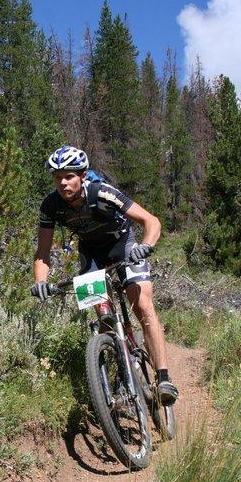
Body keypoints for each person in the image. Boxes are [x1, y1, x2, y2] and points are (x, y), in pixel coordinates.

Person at [31, 145, 178, 405]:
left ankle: (163, 378)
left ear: (83, 175)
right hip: (91, 255)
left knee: (143, 306)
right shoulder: (50, 205)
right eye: (57, 178)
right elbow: (43, 253)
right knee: (105, 319)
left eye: (69, 176)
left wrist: (146, 246)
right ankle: (122, 365)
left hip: (124, 247)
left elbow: (151, 220)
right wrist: (40, 282)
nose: (63, 182)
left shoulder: (102, 192)